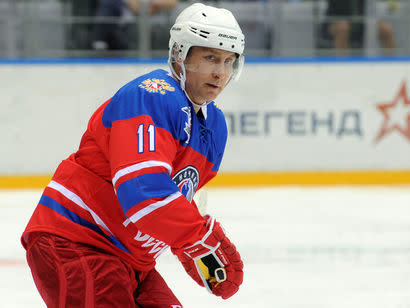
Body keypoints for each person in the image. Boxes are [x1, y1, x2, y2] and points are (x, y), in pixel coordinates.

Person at [21, 3, 245, 307]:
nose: (220, 72)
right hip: (78, 241)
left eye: (228, 61)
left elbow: (182, 197)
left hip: (134, 260)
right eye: (210, 58)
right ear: (180, 55)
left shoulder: (214, 127)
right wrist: (198, 241)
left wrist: (198, 252)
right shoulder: (150, 95)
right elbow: (143, 191)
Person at [321, 0, 396, 55]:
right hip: (334, 21)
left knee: (385, 28)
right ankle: (344, 66)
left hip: (362, 24)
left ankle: (391, 65)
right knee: (343, 27)